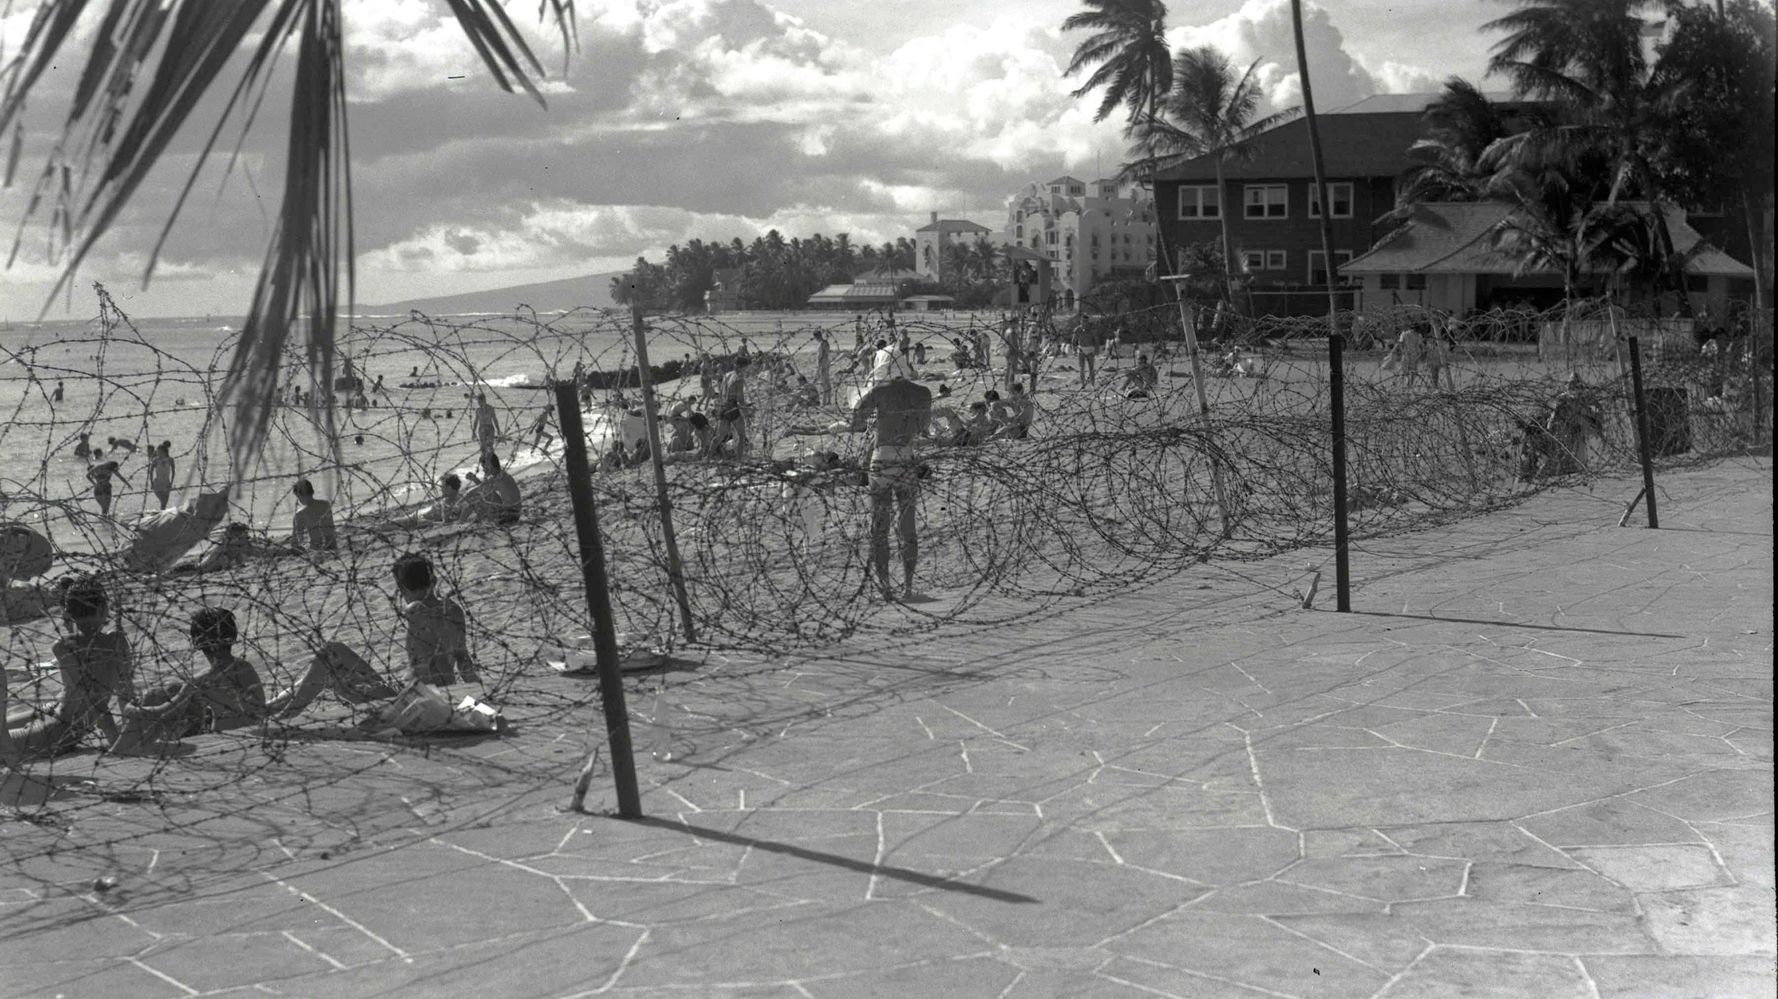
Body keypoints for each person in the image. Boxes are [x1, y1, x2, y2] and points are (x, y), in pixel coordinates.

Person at [5, 577, 134, 758]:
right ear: (104, 609)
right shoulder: (117, 641)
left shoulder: (63, 647)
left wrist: (115, 741)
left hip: (59, 730)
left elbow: (93, 698)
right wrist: (129, 733)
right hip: (57, 711)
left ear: (68, 612)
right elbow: (125, 692)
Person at [112, 607, 266, 750]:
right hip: (252, 732)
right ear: (232, 637)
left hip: (221, 740)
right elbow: (258, 707)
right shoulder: (246, 668)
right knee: (177, 691)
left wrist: (130, 709)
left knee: (156, 695)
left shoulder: (202, 680)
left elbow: (163, 711)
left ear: (197, 643)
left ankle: (120, 749)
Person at [850, 369, 933, 600]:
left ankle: (885, 586)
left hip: (882, 458)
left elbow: (856, 419)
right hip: (906, 457)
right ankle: (907, 587)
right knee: (908, 527)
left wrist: (877, 420)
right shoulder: (922, 392)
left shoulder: (880, 391)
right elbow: (923, 426)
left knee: (880, 528)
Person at [463, 450, 521, 523]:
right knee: (488, 494)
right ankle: (476, 521)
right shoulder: (503, 475)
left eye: (484, 467)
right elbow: (484, 488)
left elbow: (473, 491)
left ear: (490, 465)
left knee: (476, 500)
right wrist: (475, 479)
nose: (483, 470)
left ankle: (460, 525)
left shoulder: (496, 479)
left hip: (508, 516)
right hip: (516, 513)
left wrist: (459, 502)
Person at [289, 478, 338, 551]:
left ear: (299, 495)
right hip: (332, 545)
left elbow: (297, 539)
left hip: (316, 548)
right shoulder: (325, 504)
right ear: (312, 491)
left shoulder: (300, 514)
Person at [716, 356, 751, 457]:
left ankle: (708, 456)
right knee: (742, 436)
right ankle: (739, 460)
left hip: (723, 406)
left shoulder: (727, 375)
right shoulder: (739, 379)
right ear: (742, 367)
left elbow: (722, 391)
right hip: (732, 408)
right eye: (746, 367)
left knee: (719, 436)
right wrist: (746, 416)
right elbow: (740, 399)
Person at [87, 450, 128, 517]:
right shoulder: (110, 470)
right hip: (106, 489)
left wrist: (94, 484)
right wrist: (128, 484)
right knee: (105, 510)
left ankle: (104, 523)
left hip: (98, 489)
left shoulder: (98, 468)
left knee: (104, 510)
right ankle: (105, 523)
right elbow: (121, 477)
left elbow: (88, 476)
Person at [1073, 318, 1102, 387]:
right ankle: (1083, 384)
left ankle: (1092, 384)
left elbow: (1096, 340)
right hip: (1081, 349)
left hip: (1090, 349)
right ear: (1080, 322)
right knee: (1082, 368)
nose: (1084, 323)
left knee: (1091, 368)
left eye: (1086, 321)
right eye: (1083, 321)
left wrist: (1097, 350)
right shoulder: (1078, 330)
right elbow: (1074, 340)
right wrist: (1074, 349)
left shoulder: (1092, 330)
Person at [148, 441, 175, 510]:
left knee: (164, 504)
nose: (158, 454)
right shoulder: (155, 460)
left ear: (165, 452)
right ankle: (161, 517)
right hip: (157, 484)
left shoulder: (170, 460)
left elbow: (173, 472)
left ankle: (161, 517)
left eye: (160, 452)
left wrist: (171, 483)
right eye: (157, 452)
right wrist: (151, 483)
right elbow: (151, 472)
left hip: (166, 484)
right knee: (163, 501)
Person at [814, 331, 834, 405]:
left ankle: (824, 402)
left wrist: (819, 367)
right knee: (827, 382)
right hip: (826, 363)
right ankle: (828, 401)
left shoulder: (822, 344)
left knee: (824, 383)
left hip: (823, 364)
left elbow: (822, 356)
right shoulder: (825, 343)